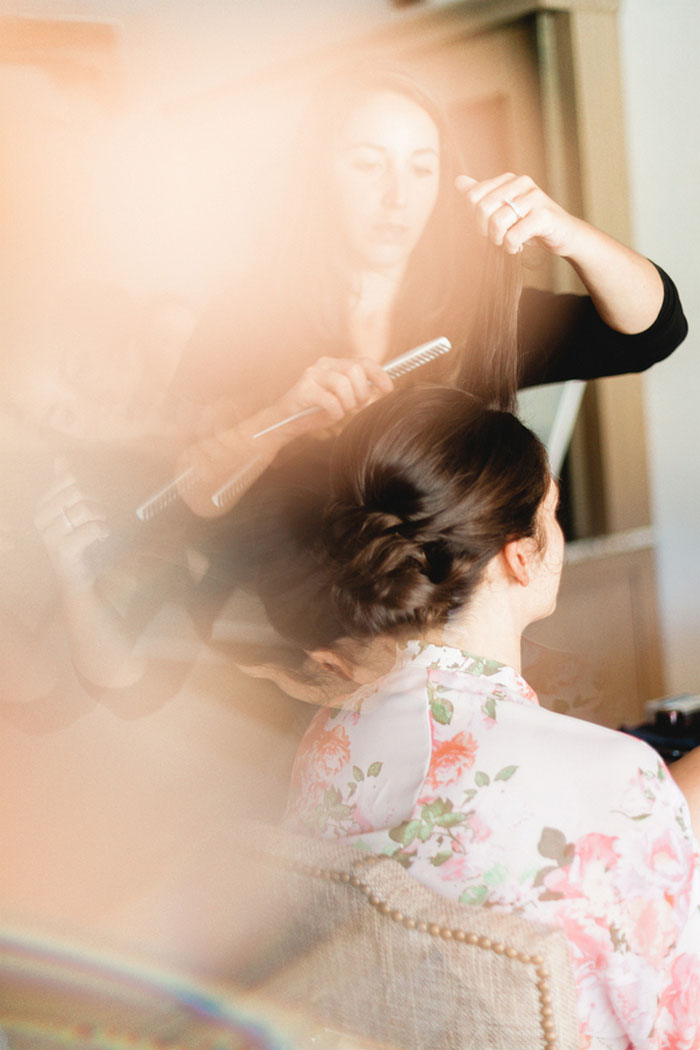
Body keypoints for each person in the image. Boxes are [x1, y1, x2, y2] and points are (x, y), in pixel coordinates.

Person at [285, 386, 700, 1050]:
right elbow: (678, 1027)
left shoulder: (330, 737)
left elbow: (558, 832)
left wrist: (660, 789)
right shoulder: (613, 780)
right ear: (519, 552)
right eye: (554, 512)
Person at [171, 66, 686, 428]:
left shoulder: (479, 318)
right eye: (369, 165)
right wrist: (279, 421)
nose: (398, 197)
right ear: (318, 174)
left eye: (421, 168)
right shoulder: (243, 317)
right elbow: (180, 473)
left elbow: (652, 335)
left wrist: (568, 232)